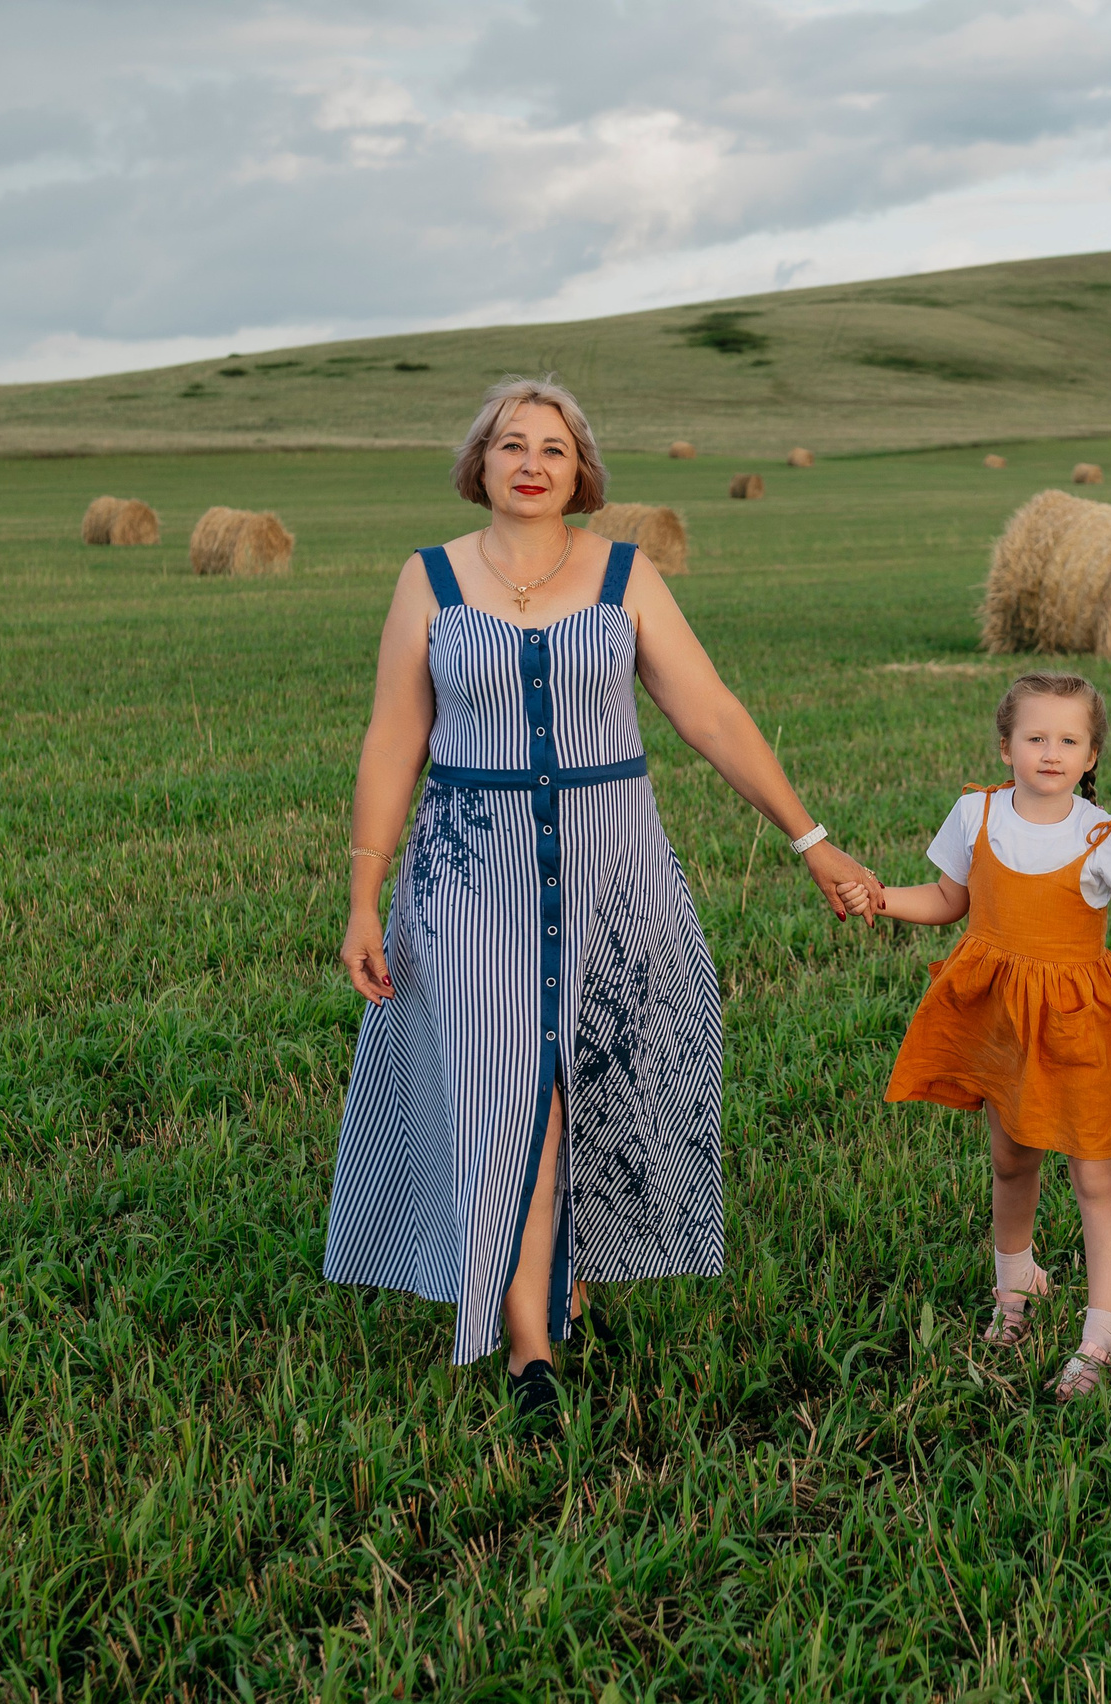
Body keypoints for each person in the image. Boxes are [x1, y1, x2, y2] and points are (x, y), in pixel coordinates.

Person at [323, 375, 881, 1423]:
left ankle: (558, 1268)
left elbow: (710, 714)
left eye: (554, 447)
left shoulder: (627, 574)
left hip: (613, 870)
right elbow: (393, 738)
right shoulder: (428, 578)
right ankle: (528, 1345)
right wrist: (363, 895)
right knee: (506, 1091)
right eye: (511, 444)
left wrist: (811, 840)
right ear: (479, 465)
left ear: (581, 472)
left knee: (588, 1085)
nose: (531, 463)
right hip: (468, 875)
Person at [841, 673, 1111, 1400]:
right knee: (1010, 1158)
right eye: (1036, 737)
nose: (1051, 752)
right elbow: (947, 900)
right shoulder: (975, 813)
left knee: (1095, 1175)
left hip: (1078, 1024)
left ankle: (1101, 1337)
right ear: (1006, 747)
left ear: (1091, 755)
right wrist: (879, 898)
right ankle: (1015, 1289)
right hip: (1000, 1015)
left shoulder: (1102, 836)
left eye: (1069, 739)